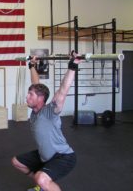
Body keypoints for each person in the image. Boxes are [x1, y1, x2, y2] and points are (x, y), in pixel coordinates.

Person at [12, 52, 80, 191]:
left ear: (41, 99)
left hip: (63, 157)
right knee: (17, 162)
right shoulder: (36, 109)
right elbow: (36, 84)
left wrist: (72, 66)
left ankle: (43, 182)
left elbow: (63, 90)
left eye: (30, 95)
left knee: (41, 178)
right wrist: (32, 66)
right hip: (45, 155)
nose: (27, 97)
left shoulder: (50, 112)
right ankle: (42, 185)